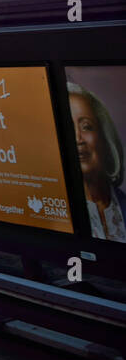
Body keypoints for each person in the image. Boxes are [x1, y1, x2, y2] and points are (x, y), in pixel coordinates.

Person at [68, 82, 126, 242]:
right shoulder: (55, 213)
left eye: (86, 127)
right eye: (67, 127)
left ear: (104, 138)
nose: (78, 139)